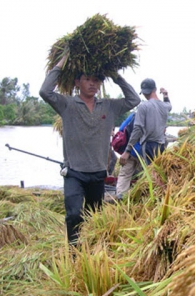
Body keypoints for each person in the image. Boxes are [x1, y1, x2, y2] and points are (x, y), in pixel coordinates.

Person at [39, 54, 141, 246]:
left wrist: (116, 77)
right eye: (87, 79)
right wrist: (61, 63)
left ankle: (90, 249)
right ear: (77, 82)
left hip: (97, 173)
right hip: (74, 172)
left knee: (93, 215)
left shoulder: (109, 106)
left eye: (97, 80)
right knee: (73, 214)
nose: (93, 84)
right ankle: (74, 252)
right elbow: (45, 91)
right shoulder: (67, 105)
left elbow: (134, 99)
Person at [119, 78, 172, 185]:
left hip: (148, 145)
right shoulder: (164, 106)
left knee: (150, 173)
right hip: (161, 145)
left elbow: (137, 129)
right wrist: (165, 95)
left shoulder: (144, 106)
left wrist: (128, 150)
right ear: (155, 89)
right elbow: (169, 106)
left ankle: (153, 195)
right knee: (158, 171)